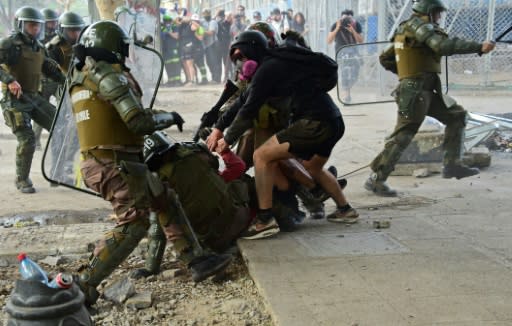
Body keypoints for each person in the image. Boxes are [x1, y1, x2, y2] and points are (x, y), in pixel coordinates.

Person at [67, 20, 231, 306]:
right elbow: (138, 121)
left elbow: (127, 113)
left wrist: (163, 113)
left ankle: (197, 261)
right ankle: (83, 284)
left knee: (164, 199)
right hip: (112, 163)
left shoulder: (85, 76)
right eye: (123, 47)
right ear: (113, 47)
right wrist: (170, 117)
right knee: (135, 221)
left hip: (112, 161)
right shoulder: (105, 73)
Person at [212, 31, 359, 239]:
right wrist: (219, 127)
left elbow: (248, 110)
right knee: (312, 167)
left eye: (243, 57)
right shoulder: (277, 63)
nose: (240, 64)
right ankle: (346, 210)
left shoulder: (268, 68)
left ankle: (264, 220)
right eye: (237, 59)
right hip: (332, 119)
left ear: (254, 50)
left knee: (261, 156)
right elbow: (243, 98)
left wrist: (227, 140)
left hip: (315, 122)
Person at [364, 0, 495, 197]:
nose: (439, 17)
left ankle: (452, 165)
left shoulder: (408, 29)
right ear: (428, 11)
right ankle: (377, 179)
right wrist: (479, 47)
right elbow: (442, 45)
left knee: (457, 116)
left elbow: (386, 58)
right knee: (403, 135)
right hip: (416, 91)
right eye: (437, 13)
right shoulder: (418, 26)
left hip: (424, 89)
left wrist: (406, 73)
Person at [131, 131, 252, 279]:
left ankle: (191, 260)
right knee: (238, 182)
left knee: (161, 213)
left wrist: (150, 268)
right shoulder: (196, 151)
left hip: (212, 241)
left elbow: (159, 230)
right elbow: (225, 167)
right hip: (239, 219)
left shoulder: (159, 182)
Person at [0, 6, 65, 193]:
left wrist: (71, 83)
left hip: (34, 96)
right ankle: (22, 179)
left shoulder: (39, 47)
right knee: (27, 139)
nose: (35, 30)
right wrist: (9, 80)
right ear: (20, 25)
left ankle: (57, 173)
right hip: (14, 99)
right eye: (31, 26)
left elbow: (51, 71)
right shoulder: (9, 44)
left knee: (60, 127)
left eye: (38, 26)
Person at [34, 8, 60, 150]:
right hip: (42, 81)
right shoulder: (36, 38)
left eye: (54, 22)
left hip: (57, 79)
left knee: (64, 108)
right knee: (40, 111)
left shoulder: (59, 36)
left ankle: (61, 139)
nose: (53, 25)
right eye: (50, 22)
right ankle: (36, 140)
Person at [327, 9, 363, 103]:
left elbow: (360, 40)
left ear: (352, 19)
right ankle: (347, 95)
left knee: (355, 73)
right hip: (341, 52)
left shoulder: (356, 25)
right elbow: (329, 40)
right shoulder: (336, 24)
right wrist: (337, 28)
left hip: (354, 52)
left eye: (349, 18)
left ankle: (346, 89)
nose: (347, 21)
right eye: (344, 18)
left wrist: (353, 31)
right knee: (345, 71)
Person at [160, 14, 182, 87]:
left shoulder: (174, 27)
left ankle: (177, 81)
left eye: (168, 21)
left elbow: (176, 36)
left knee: (176, 65)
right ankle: (171, 81)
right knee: (168, 65)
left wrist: (169, 31)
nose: (167, 22)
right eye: (165, 21)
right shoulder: (162, 28)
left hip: (173, 49)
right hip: (165, 50)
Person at [201, 9, 221, 83]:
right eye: (204, 14)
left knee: (214, 62)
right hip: (206, 45)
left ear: (210, 14)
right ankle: (213, 77)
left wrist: (201, 30)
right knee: (209, 62)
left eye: (207, 13)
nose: (206, 15)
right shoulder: (203, 22)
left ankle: (216, 79)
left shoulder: (213, 22)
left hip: (213, 44)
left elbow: (211, 33)